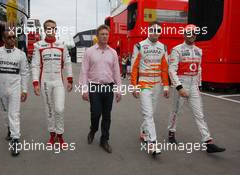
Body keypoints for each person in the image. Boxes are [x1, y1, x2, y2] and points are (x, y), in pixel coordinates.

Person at [168, 24, 226, 153]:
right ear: (184, 34)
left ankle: (208, 141)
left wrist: (199, 85)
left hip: (194, 85)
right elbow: (171, 70)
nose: (192, 35)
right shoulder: (176, 49)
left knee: (200, 114)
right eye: (189, 33)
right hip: (181, 83)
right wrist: (179, 87)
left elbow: (199, 69)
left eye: (194, 33)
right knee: (176, 111)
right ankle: (171, 132)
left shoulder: (199, 50)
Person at [79, 24, 122, 153]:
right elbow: (84, 71)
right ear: (97, 36)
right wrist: (84, 90)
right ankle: (93, 129)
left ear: (109, 36)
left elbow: (116, 72)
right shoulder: (89, 52)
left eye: (106, 34)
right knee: (96, 113)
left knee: (107, 115)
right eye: (102, 34)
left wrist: (119, 90)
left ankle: (104, 140)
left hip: (108, 87)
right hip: (94, 87)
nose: (104, 36)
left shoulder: (113, 52)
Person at [0, 28, 29, 156]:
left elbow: (24, 73)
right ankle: (9, 129)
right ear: (3, 39)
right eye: (9, 37)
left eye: (13, 37)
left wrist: (25, 89)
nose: (12, 39)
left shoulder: (21, 54)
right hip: (1, 88)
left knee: (14, 114)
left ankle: (15, 140)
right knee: (5, 113)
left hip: (15, 88)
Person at [32, 19, 73, 148]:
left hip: (58, 81)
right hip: (45, 82)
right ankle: (52, 134)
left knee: (59, 109)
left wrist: (70, 79)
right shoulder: (38, 45)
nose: (52, 30)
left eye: (54, 28)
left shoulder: (62, 45)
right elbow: (35, 65)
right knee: (49, 110)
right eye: (49, 28)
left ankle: (60, 135)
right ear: (45, 30)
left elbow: (67, 63)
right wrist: (35, 83)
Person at [131, 21, 169, 155]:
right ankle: (152, 143)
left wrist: (166, 86)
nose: (155, 33)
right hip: (144, 84)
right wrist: (134, 86)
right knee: (148, 114)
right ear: (148, 31)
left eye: (158, 30)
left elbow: (165, 68)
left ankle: (143, 131)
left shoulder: (163, 47)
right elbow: (134, 67)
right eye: (152, 30)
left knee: (151, 113)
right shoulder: (139, 46)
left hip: (157, 85)